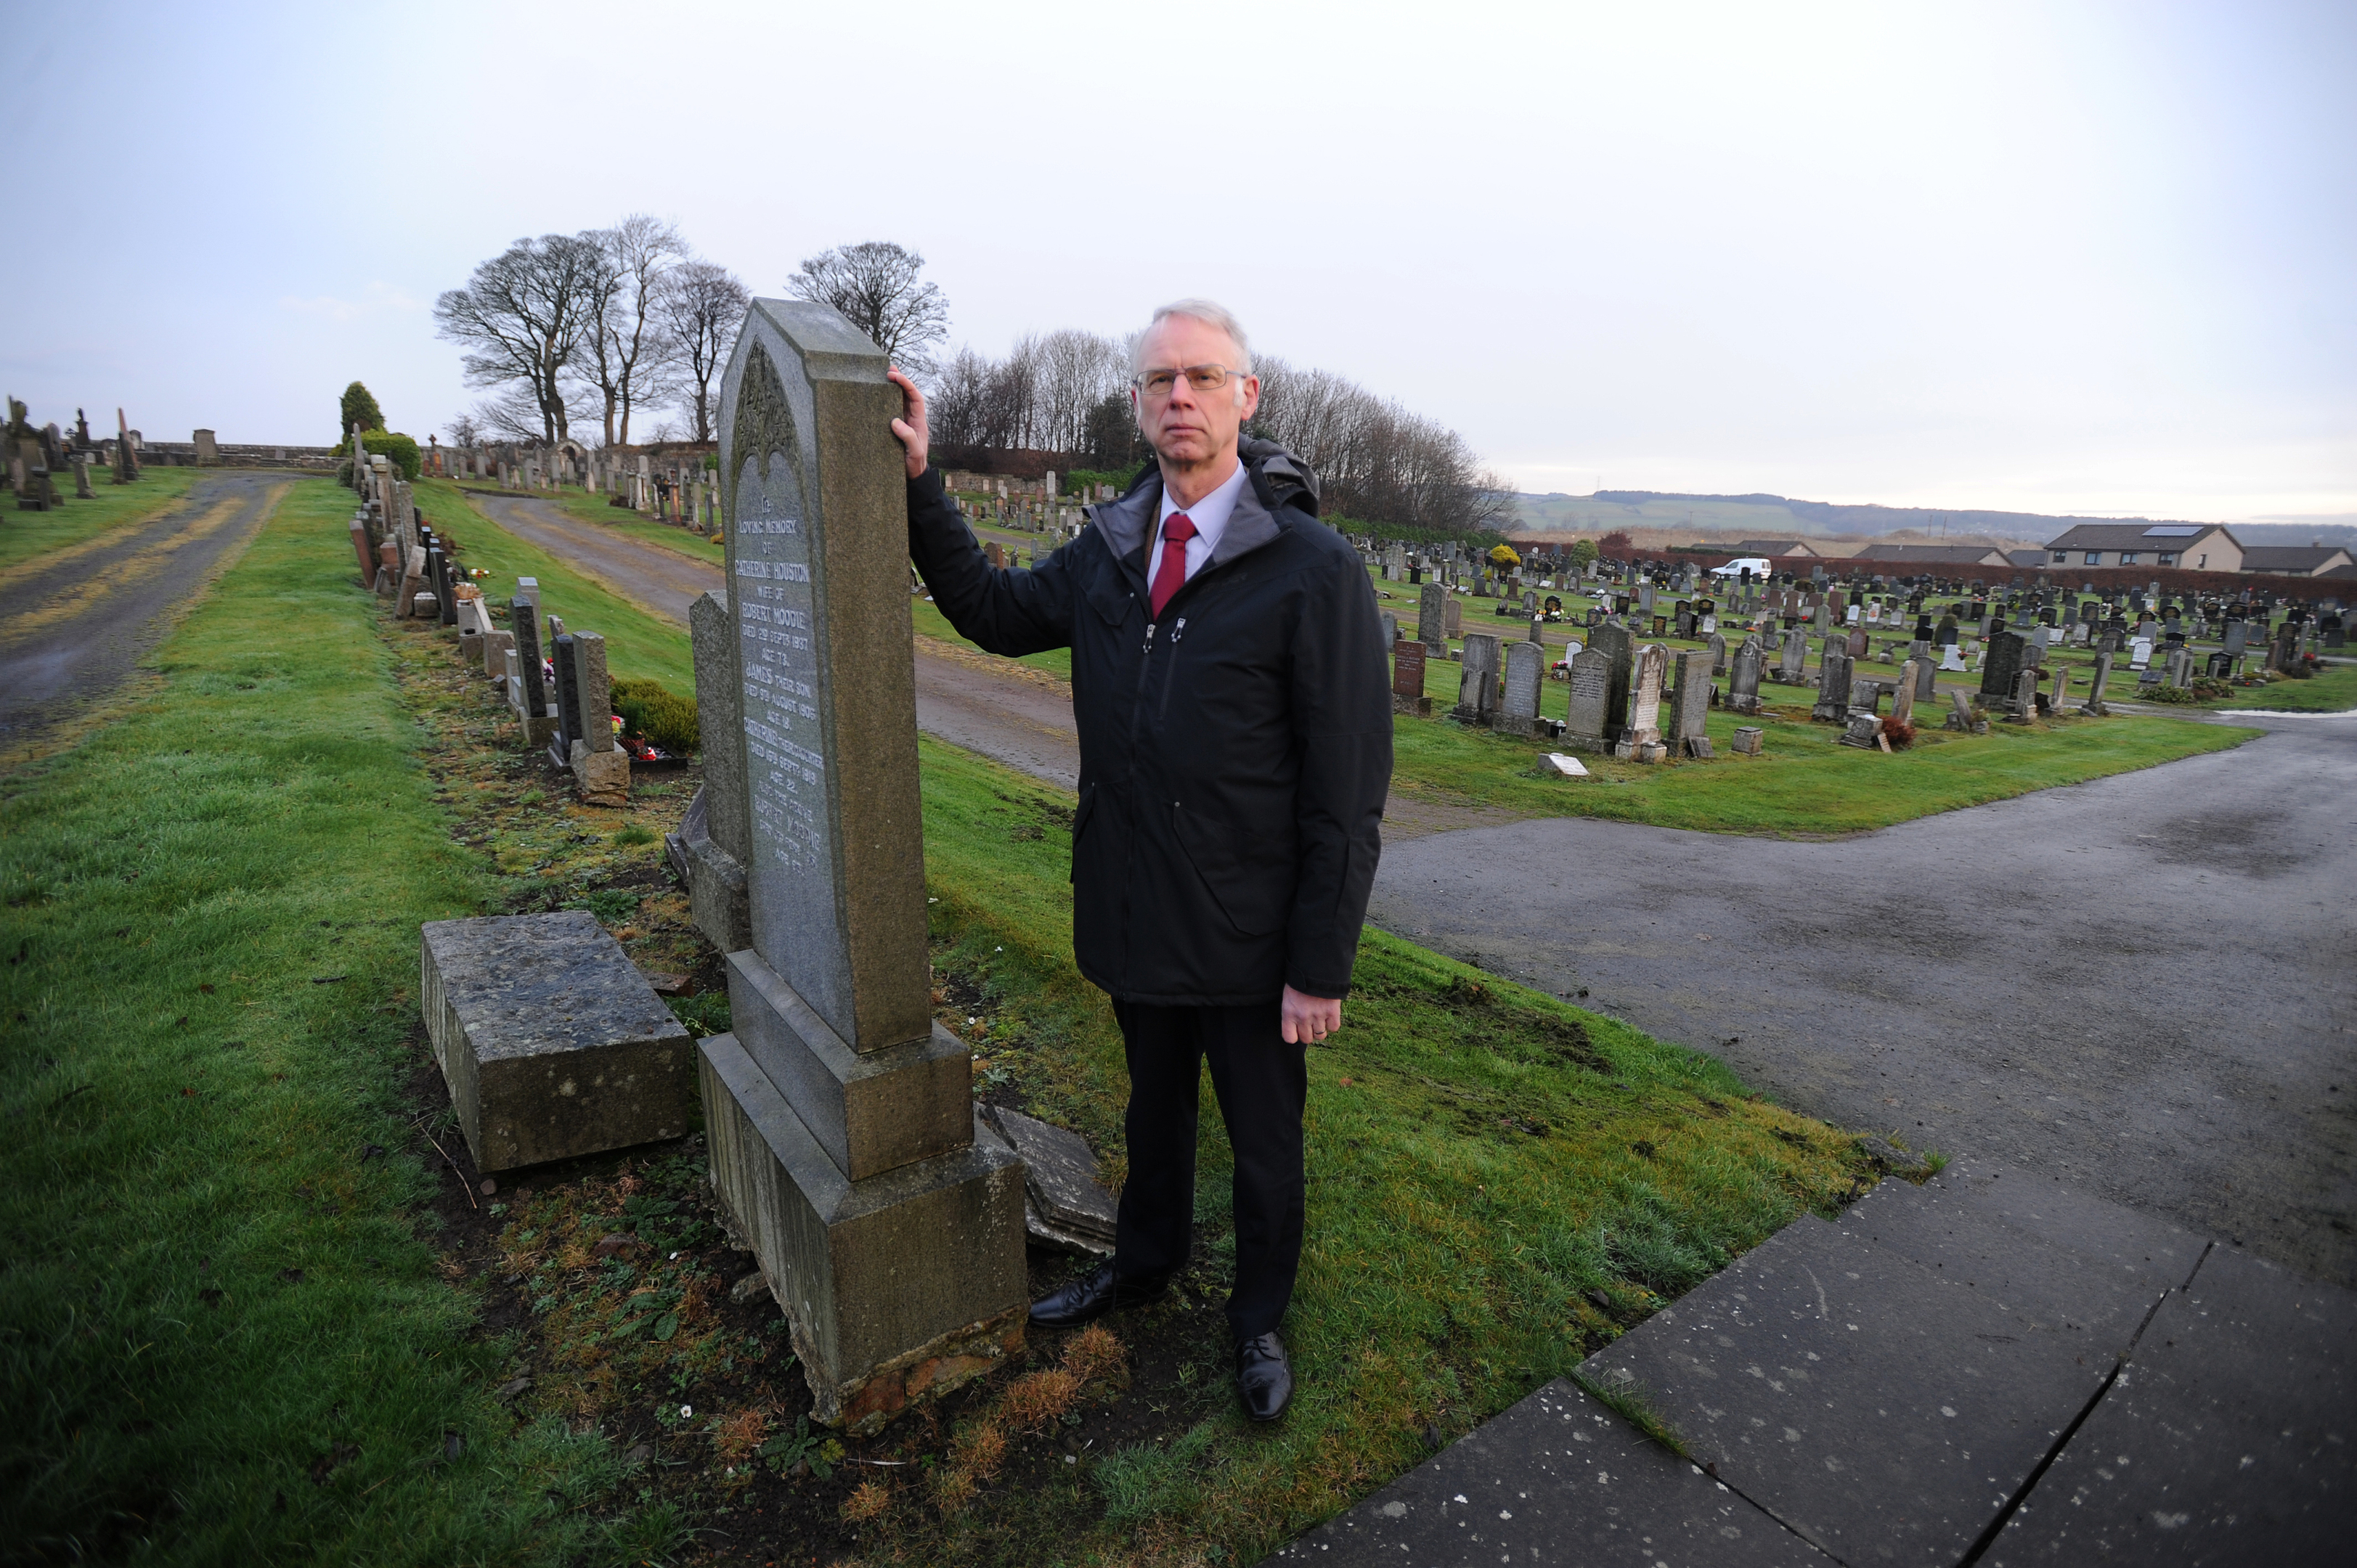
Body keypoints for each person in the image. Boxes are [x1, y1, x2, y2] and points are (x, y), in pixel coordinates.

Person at [890, 300, 1391, 1423]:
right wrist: (922, 481)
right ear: (1134, 403)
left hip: (1254, 932)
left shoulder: (1311, 571)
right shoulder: (1113, 548)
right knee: (1151, 1112)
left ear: (1244, 399)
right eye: (1160, 380)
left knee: (1263, 1143)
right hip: (1131, 901)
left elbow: (1346, 791)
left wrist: (1320, 964)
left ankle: (1256, 1319)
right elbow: (991, 611)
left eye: (1203, 378)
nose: (1180, 397)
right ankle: (1144, 1262)